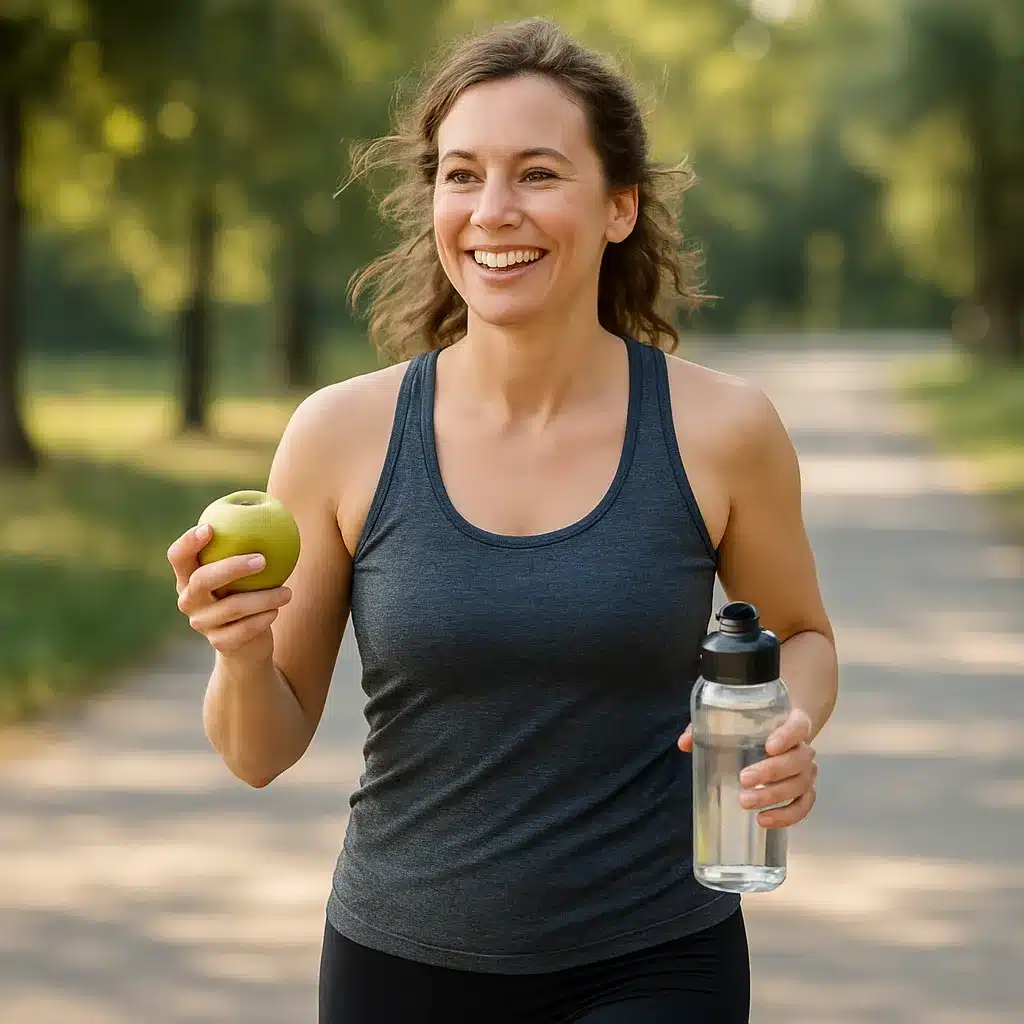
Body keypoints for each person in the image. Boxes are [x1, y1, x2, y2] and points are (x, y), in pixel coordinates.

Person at [167, 17, 838, 1024]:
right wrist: (242, 650)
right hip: (399, 963)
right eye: (460, 174)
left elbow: (802, 635)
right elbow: (258, 752)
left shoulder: (721, 428)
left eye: (536, 173)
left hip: (656, 958)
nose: (492, 211)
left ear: (619, 206)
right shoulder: (339, 434)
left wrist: (790, 722)